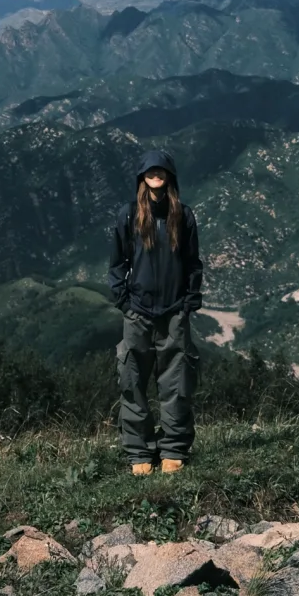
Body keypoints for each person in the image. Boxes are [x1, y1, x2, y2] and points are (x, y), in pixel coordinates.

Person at [107, 148, 203, 475]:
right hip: (138, 311)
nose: (156, 174)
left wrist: (190, 300)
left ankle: (173, 449)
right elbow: (117, 262)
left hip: (174, 311)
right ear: (141, 177)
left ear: (170, 177)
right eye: (150, 170)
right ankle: (139, 453)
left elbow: (193, 264)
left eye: (161, 170)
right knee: (132, 380)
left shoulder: (183, 216)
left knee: (176, 383)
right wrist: (122, 299)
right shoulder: (129, 214)